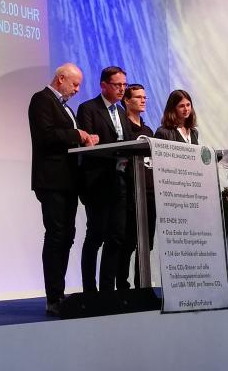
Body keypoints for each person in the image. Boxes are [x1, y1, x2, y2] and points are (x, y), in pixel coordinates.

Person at [28, 63, 98, 316]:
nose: (78, 89)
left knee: (67, 236)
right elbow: (46, 136)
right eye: (75, 84)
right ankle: (54, 296)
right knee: (57, 236)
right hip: (52, 181)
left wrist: (86, 139)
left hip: (68, 182)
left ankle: (59, 293)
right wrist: (77, 135)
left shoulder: (65, 107)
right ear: (61, 79)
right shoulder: (41, 100)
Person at [77, 66, 133, 292]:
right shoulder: (88, 109)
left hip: (119, 183)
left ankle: (108, 291)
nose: (122, 89)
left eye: (124, 85)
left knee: (116, 237)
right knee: (95, 235)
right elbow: (88, 146)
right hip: (97, 184)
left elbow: (127, 144)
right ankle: (90, 291)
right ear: (103, 86)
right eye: (117, 85)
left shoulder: (122, 112)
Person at [117, 84, 154, 290]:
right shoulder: (124, 129)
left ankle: (143, 286)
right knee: (128, 241)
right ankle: (122, 285)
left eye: (144, 97)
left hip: (149, 193)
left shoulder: (148, 131)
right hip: (131, 192)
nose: (143, 100)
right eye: (138, 97)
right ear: (126, 101)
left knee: (147, 244)